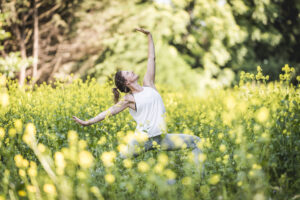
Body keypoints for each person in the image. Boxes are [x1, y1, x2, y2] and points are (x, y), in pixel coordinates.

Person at [72, 28, 202, 166]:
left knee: (196, 142)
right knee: (117, 162)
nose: (132, 71)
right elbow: (109, 112)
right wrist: (87, 122)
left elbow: (151, 58)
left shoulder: (149, 84)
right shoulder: (129, 99)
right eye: (128, 72)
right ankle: (93, 173)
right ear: (126, 82)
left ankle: (198, 181)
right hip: (142, 140)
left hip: (161, 139)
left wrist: (149, 36)